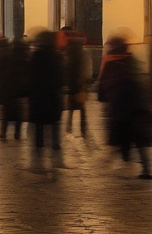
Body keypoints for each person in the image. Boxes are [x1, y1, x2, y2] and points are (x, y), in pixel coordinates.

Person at [97, 35, 152, 179]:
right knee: (138, 138)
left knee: (120, 135)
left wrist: (102, 96)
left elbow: (103, 84)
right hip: (136, 107)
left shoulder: (110, 62)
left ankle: (110, 165)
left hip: (119, 107)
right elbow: (142, 81)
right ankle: (145, 169)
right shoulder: (131, 60)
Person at [28, 30, 65, 171]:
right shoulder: (57, 56)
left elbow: (31, 77)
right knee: (55, 127)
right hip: (53, 98)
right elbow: (61, 78)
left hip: (38, 98)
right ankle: (56, 159)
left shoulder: (36, 56)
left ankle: (37, 160)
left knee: (39, 129)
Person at [64, 34, 92, 138]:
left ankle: (69, 125)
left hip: (71, 84)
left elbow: (65, 68)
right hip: (81, 85)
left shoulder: (68, 53)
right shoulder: (83, 54)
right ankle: (83, 127)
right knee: (82, 107)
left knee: (71, 106)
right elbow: (87, 69)